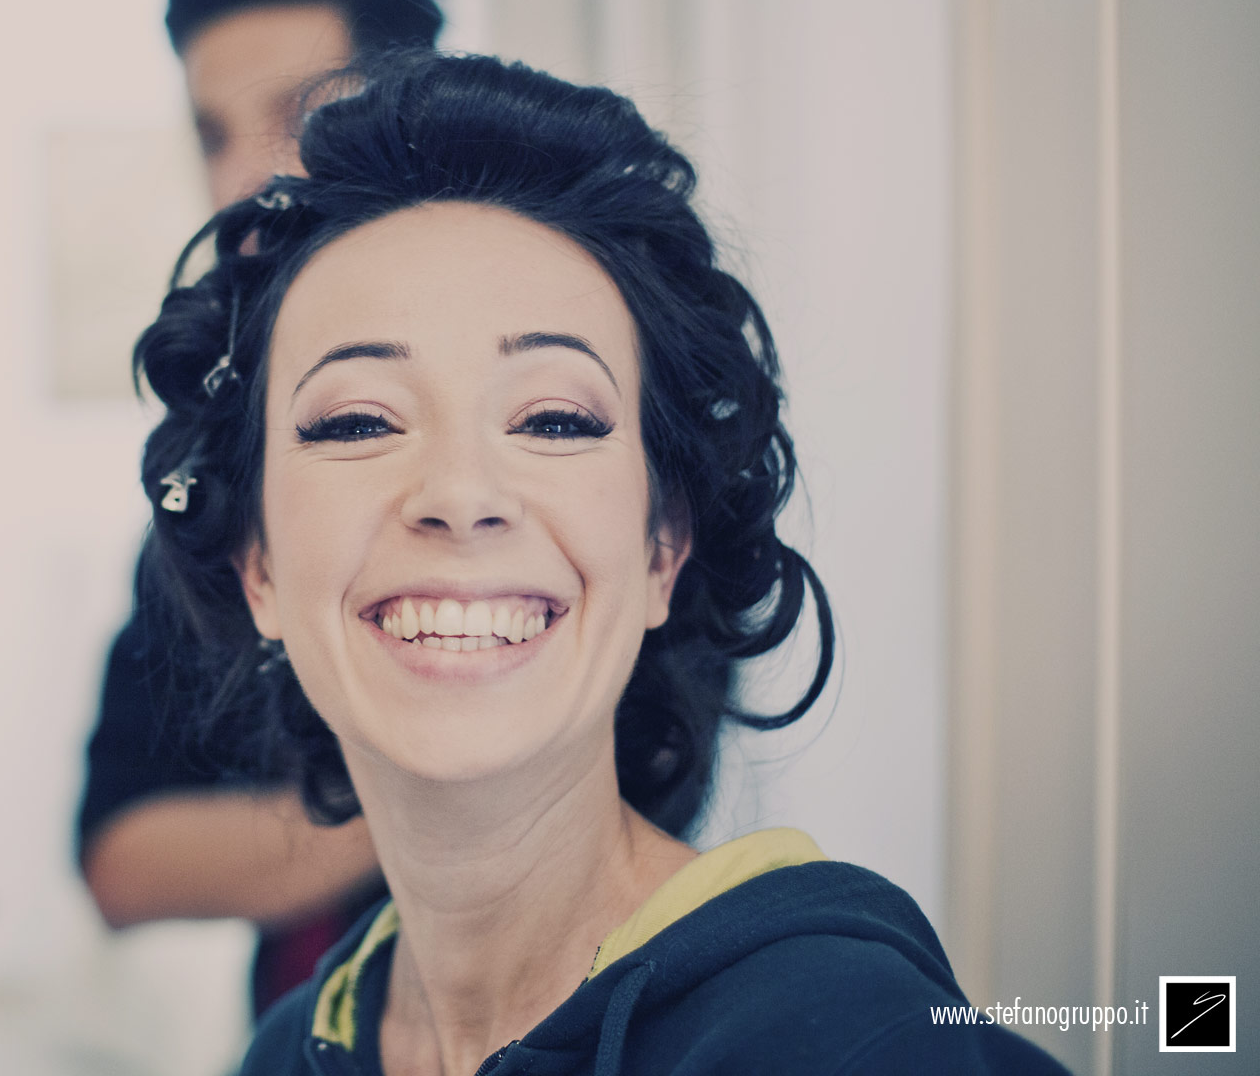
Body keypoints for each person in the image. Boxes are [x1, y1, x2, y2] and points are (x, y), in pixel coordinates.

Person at [128, 53, 1070, 1074]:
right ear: (257, 561)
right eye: (358, 419)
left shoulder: (838, 1033)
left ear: (665, 542)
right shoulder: (286, 1051)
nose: (459, 492)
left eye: (554, 417)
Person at [78, 0, 443, 1014]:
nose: (244, 172)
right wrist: (433, 798)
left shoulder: (562, 400)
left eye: (295, 116)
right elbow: (123, 854)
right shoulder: (214, 466)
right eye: (212, 131)